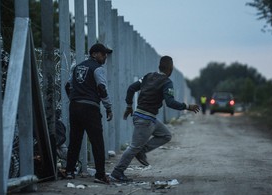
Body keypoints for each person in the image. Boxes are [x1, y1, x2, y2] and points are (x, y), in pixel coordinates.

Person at [110, 55, 200, 182]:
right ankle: (117, 172)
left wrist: (129, 106)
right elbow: (170, 102)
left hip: (144, 117)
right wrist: (187, 106)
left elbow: (131, 88)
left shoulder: (148, 77)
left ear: (159, 67)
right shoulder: (167, 82)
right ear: (170, 68)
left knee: (166, 135)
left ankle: (142, 151)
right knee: (134, 147)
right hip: (145, 119)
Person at [65, 43, 113, 184]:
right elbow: (102, 88)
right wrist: (108, 108)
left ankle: (69, 171)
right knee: (97, 141)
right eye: (103, 54)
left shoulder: (77, 67)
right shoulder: (97, 69)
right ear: (95, 54)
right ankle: (100, 175)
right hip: (90, 108)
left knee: (75, 140)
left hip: (74, 107)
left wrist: (75, 99)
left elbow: (68, 86)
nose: (105, 57)